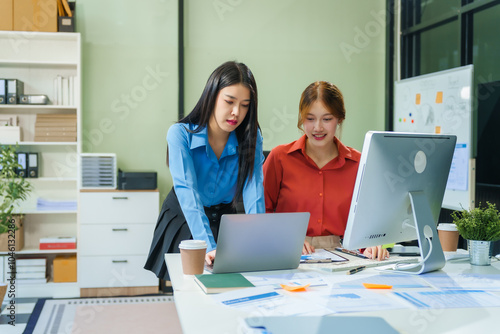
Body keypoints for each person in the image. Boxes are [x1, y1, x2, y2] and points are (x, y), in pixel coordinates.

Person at [145, 61, 265, 280]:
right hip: (185, 216)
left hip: (224, 218)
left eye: (245, 105)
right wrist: (207, 245)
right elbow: (187, 191)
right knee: (190, 289)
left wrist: (259, 239)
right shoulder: (180, 134)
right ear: (211, 96)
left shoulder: (251, 138)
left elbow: (253, 189)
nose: (236, 112)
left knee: (230, 286)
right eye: (229, 101)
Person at [263, 81, 388, 260]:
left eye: (327, 119)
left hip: (344, 256)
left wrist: (371, 244)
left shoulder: (359, 163)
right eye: (310, 118)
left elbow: (369, 221)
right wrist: (285, 237)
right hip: (288, 253)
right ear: (301, 118)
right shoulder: (279, 158)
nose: (318, 127)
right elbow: (260, 213)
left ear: (340, 119)